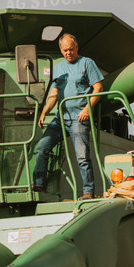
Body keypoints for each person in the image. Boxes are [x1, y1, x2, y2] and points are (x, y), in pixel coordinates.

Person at [32, 33, 103, 199]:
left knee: (82, 156)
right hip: (60, 118)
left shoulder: (87, 63)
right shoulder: (58, 69)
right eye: (65, 50)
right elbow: (54, 94)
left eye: (71, 49)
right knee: (42, 147)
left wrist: (87, 109)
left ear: (77, 47)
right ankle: (39, 183)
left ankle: (88, 191)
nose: (68, 53)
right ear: (61, 50)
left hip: (79, 117)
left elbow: (98, 88)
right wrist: (44, 112)